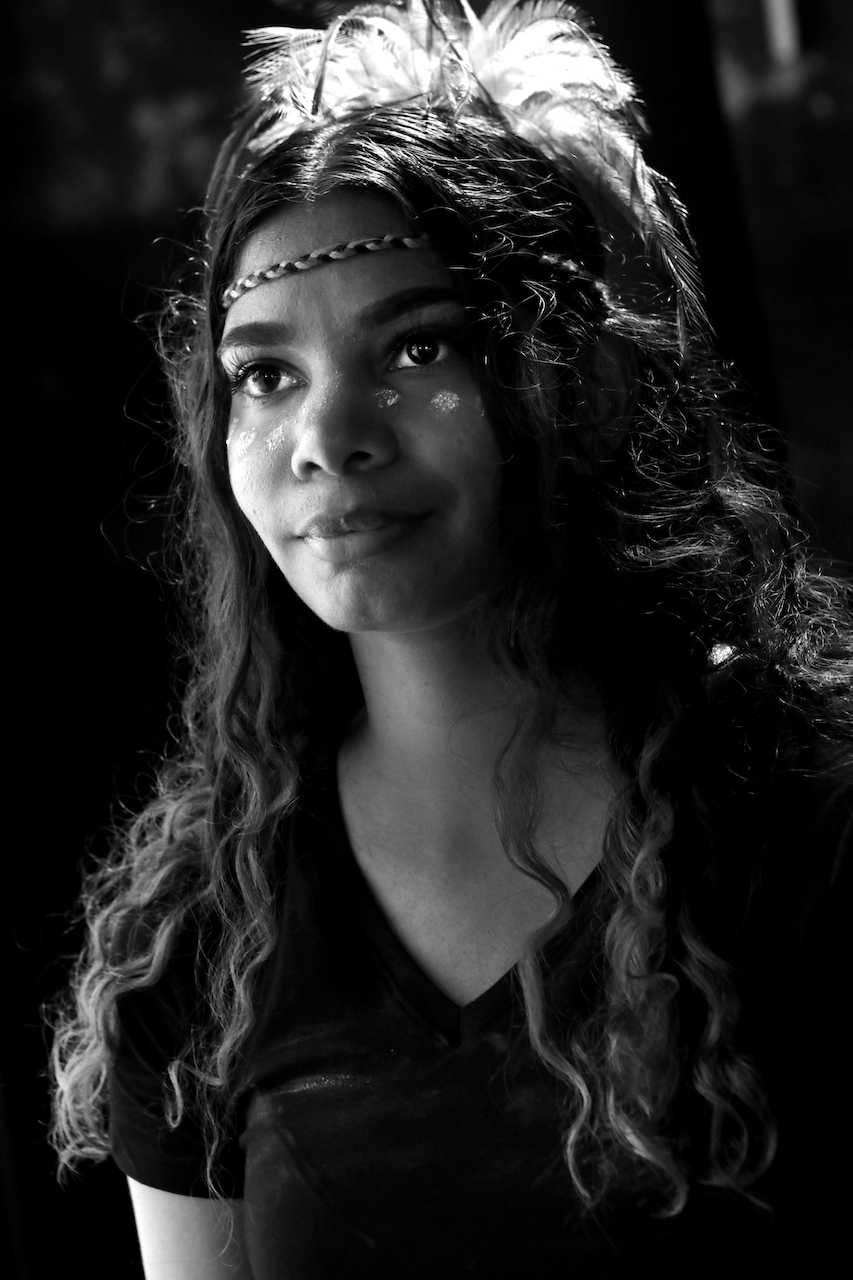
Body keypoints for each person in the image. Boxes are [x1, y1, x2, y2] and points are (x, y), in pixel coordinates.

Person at [49, 2, 851, 1276]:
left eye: (417, 345)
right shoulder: (202, 935)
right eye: (266, 375)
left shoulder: (809, 816)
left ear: (582, 384)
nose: (328, 436)